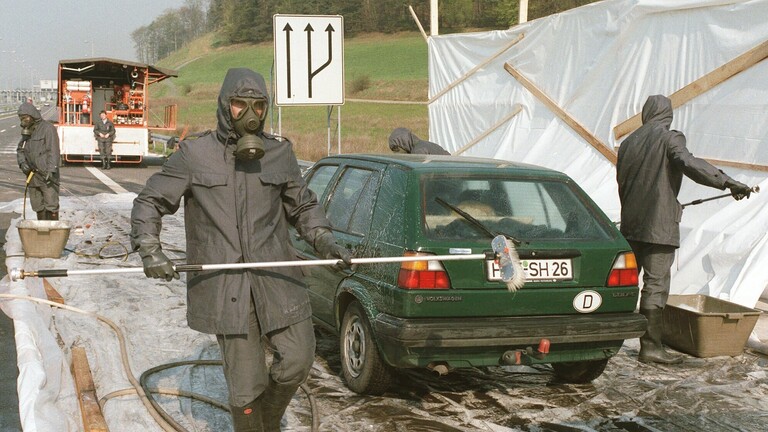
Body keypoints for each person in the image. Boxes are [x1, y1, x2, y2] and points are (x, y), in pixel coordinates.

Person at [130, 68, 352, 432]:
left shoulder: (279, 153)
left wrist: (323, 238)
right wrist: (149, 247)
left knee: (297, 361)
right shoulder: (195, 154)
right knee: (247, 384)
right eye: (239, 104)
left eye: (258, 105)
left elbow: (303, 206)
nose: (250, 114)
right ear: (224, 105)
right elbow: (149, 201)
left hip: (277, 277)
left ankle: (266, 422)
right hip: (226, 285)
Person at [616, 94, 753, 364]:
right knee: (655, 286)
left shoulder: (628, 143)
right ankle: (650, 347)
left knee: (624, 285)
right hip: (659, 227)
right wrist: (727, 182)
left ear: (646, 114)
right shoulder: (670, 138)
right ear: (667, 115)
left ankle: (610, 339)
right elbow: (689, 163)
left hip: (630, 225)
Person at [16, 102, 60, 220]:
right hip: (32, 176)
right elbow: (20, 150)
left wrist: (52, 170)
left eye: (25, 118)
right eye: (21, 118)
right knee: (37, 206)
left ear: (32, 115)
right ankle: (41, 228)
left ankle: (53, 229)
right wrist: (22, 163)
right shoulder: (27, 131)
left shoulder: (48, 128)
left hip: (47, 175)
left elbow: (53, 151)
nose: (23, 121)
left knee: (51, 204)